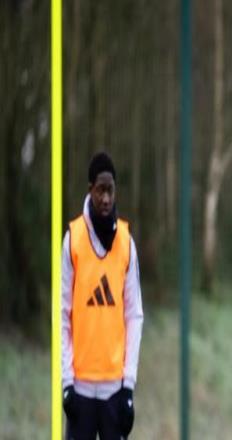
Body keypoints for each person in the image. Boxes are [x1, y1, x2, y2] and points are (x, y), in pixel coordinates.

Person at [61, 152, 144, 440]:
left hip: (114, 390)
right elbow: (63, 313)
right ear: (90, 190)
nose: (106, 199)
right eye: (100, 190)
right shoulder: (73, 240)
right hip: (80, 388)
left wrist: (128, 385)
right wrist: (67, 381)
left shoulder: (126, 243)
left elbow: (134, 315)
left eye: (110, 191)